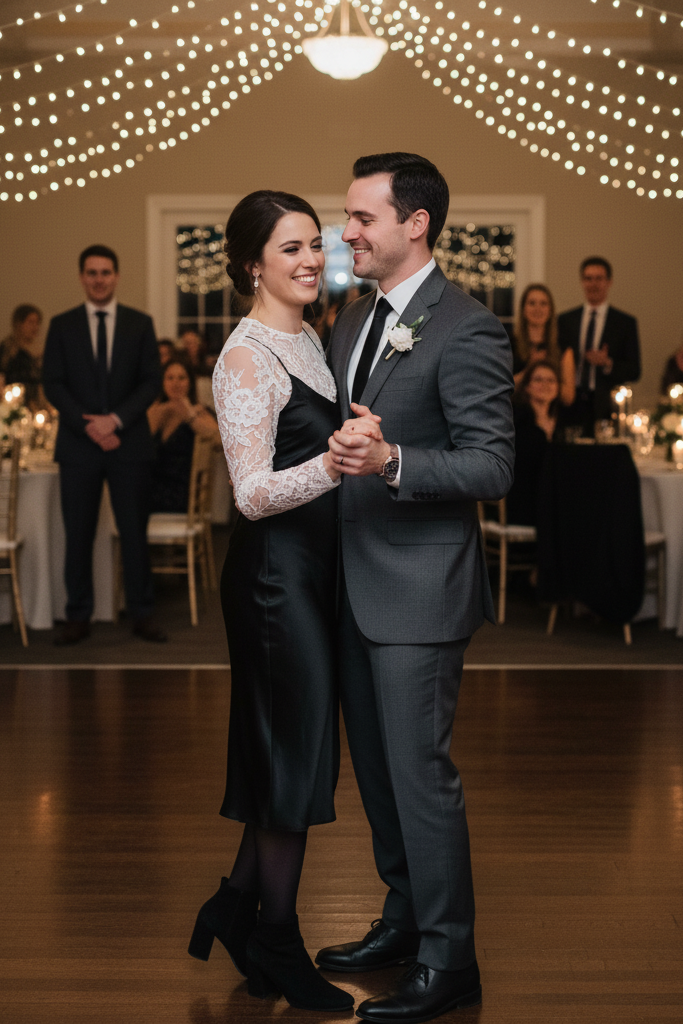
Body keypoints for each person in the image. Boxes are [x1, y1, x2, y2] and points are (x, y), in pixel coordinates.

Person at [318, 153, 515, 1023]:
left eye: (362, 217)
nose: (347, 232)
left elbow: (492, 463)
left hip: (418, 592)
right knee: (380, 778)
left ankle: (450, 957)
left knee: (420, 776)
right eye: (346, 216)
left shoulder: (465, 326)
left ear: (415, 224)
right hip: (351, 585)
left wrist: (394, 460)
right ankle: (402, 920)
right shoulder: (353, 319)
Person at [188, 191, 366, 1013]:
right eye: (288, 248)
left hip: (310, 574)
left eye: (314, 246)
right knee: (290, 763)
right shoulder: (246, 357)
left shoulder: (311, 341)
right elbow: (252, 494)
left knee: (283, 758)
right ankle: (276, 941)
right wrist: (334, 463)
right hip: (270, 582)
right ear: (250, 263)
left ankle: (234, 904)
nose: (307, 261)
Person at [42, 244, 167, 645]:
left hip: (129, 444)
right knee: (77, 533)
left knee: (134, 532)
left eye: (106, 272)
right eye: (92, 273)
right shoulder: (62, 325)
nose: (99, 279)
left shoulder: (139, 323)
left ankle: (142, 613)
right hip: (78, 447)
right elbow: (53, 384)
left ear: (116, 276)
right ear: (82, 277)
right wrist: (89, 425)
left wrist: (114, 421)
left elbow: (151, 382)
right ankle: (77, 615)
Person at [558, 257, 640, 436]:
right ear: (582, 281)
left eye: (599, 278)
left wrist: (607, 363)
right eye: (588, 278)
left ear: (609, 282)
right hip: (571, 403)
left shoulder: (624, 323)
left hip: (606, 405)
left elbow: (635, 370)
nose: (593, 284)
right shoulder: (565, 321)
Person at [147, 357, 219, 513]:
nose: (175, 383)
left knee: (133, 500)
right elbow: (138, 447)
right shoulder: (156, 411)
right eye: (170, 378)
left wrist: (190, 416)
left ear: (190, 382)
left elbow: (219, 442)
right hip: (152, 485)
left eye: (181, 378)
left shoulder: (199, 412)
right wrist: (160, 412)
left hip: (182, 491)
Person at [507, 360, 563, 527]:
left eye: (551, 380)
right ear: (527, 387)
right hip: (524, 502)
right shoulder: (518, 423)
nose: (545, 384)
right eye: (538, 380)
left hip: (550, 498)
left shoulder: (561, 424)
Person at [511, 284, 575, 406]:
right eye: (532, 303)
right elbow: (501, 389)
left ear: (550, 310)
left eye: (543, 304)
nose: (537, 309)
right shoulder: (509, 343)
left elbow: (569, 397)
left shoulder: (563, 345)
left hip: (552, 417)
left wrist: (547, 382)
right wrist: (529, 370)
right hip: (517, 416)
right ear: (523, 309)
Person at [0, 304, 43, 406]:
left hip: (36, 405)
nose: (35, 327)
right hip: (13, 405)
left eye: (37, 323)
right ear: (19, 324)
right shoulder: (8, 349)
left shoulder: (40, 351)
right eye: (30, 322)